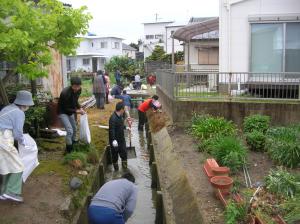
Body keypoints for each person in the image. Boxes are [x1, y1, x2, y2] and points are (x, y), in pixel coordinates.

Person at [0, 90, 34, 202]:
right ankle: (11, 192)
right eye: (28, 105)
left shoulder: (8, 108)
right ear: (25, 104)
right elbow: (18, 133)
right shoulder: (19, 113)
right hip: (3, 138)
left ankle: (3, 192)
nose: (28, 106)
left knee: (5, 165)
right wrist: (24, 143)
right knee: (18, 165)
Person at [58, 76, 85, 154]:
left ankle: (73, 144)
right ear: (72, 85)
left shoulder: (79, 90)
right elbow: (66, 108)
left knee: (75, 128)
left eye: (79, 86)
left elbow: (75, 101)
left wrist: (80, 108)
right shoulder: (65, 93)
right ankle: (68, 149)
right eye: (75, 86)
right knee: (69, 130)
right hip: (63, 112)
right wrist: (77, 111)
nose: (77, 88)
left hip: (71, 111)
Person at [109, 102, 128, 171]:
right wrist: (113, 140)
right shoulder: (113, 118)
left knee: (124, 154)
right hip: (115, 141)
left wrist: (125, 127)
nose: (124, 111)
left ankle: (125, 170)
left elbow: (121, 125)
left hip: (121, 140)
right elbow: (112, 130)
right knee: (115, 156)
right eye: (124, 109)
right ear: (121, 109)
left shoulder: (120, 116)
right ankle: (116, 171)